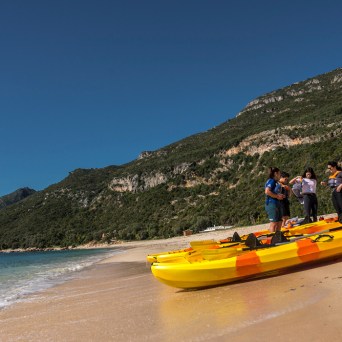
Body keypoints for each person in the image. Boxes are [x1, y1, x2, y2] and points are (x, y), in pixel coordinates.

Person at [265, 167, 285, 232]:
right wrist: (277, 196)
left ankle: (278, 237)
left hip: (277, 203)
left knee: (279, 222)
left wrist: (280, 196)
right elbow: (267, 191)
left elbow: (275, 192)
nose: (280, 175)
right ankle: (272, 240)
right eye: (279, 173)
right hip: (272, 203)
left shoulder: (276, 182)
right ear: (276, 173)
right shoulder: (271, 181)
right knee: (274, 223)